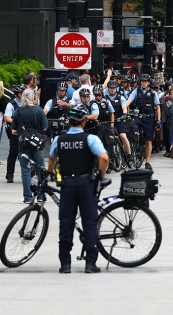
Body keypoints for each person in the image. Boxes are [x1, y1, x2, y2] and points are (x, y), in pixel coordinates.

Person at [47, 104, 109, 274]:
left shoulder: (60, 139)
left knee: (66, 223)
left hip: (67, 184)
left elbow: (52, 158)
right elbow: (104, 157)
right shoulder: (90, 139)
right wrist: (101, 174)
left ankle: (65, 264)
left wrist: (50, 171)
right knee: (89, 223)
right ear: (83, 121)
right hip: (86, 184)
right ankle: (90, 263)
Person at [11, 88, 48, 203]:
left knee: (25, 171)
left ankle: (27, 197)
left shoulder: (18, 112)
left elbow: (13, 131)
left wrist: (23, 133)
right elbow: (44, 127)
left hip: (24, 145)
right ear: (33, 98)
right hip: (37, 145)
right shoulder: (39, 110)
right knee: (40, 169)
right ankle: (40, 196)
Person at [126, 74, 161, 170]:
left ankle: (147, 162)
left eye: (145, 81)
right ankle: (135, 144)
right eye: (142, 81)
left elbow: (158, 107)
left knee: (148, 140)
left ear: (148, 83)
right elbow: (128, 101)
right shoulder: (136, 91)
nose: (143, 83)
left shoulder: (153, 93)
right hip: (139, 117)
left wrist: (158, 120)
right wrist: (126, 108)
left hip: (149, 118)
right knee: (132, 127)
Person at [106, 80, 132, 163]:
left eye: (114, 88)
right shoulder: (104, 97)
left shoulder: (120, 97)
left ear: (116, 88)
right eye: (111, 88)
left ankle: (129, 155)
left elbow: (124, 107)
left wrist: (124, 114)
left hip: (119, 120)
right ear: (108, 88)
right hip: (108, 121)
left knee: (123, 136)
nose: (112, 90)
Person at [5, 85, 25, 183]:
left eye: (23, 93)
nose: (22, 95)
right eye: (20, 93)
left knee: (26, 155)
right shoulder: (11, 104)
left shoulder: (27, 104)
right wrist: (16, 123)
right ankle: (9, 176)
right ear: (16, 94)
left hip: (26, 133)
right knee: (13, 153)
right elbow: (7, 117)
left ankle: (26, 175)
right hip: (15, 132)